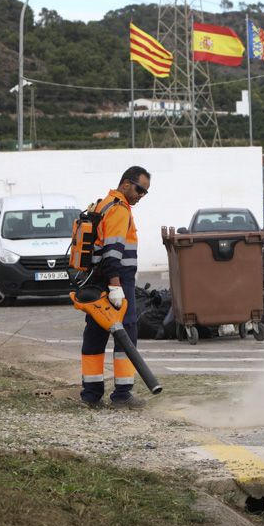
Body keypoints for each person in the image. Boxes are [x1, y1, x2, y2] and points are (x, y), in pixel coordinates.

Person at [80, 166, 150, 409]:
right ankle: (122, 394)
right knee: (126, 333)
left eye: (145, 192)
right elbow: (113, 254)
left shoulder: (103, 204)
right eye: (140, 189)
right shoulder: (119, 210)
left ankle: (90, 394)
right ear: (126, 184)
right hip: (117, 280)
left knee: (95, 335)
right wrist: (116, 287)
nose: (141, 195)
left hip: (96, 281)